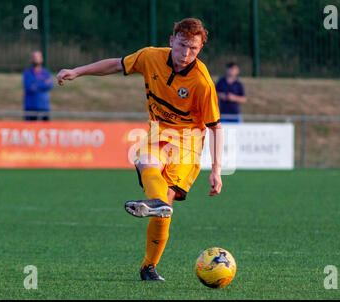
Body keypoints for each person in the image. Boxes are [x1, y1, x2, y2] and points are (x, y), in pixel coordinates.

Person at [56, 18, 223, 281]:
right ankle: (155, 205)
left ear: (200, 48)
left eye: (193, 49)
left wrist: (216, 170)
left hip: (188, 144)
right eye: (181, 46)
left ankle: (149, 266)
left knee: (163, 210)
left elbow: (215, 128)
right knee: (145, 160)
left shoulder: (202, 82)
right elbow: (116, 64)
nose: (186, 54)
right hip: (159, 133)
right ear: (171, 41)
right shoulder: (149, 57)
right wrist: (77, 71)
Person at [23, 51, 54, 121]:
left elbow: (50, 85)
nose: (36, 59)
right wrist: (43, 83)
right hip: (30, 106)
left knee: (45, 130)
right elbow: (28, 87)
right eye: (34, 57)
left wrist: (36, 84)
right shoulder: (27, 72)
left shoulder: (46, 72)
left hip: (44, 106)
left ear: (42, 59)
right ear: (31, 59)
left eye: (38, 57)